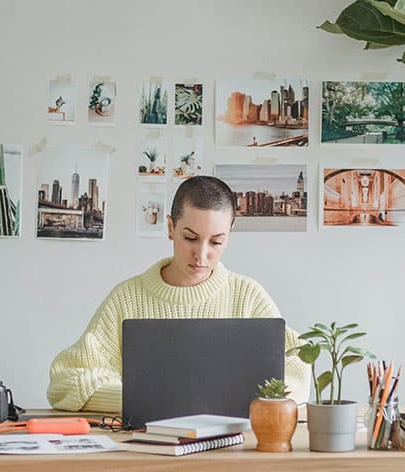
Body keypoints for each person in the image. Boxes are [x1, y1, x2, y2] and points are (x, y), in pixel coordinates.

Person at [46, 176, 310, 412]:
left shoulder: (248, 296)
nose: (202, 254)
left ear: (229, 234)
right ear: (171, 227)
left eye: (216, 242)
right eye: (190, 238)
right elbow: (65, 381)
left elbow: (297, 370)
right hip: (147, 454)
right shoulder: (127, 298)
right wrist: (141, 400)